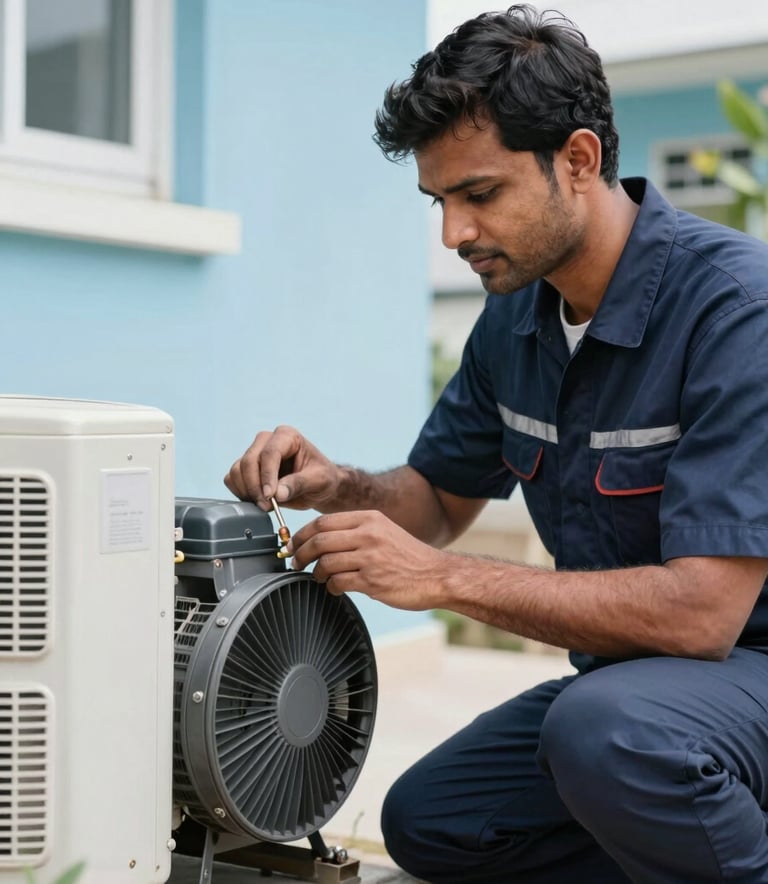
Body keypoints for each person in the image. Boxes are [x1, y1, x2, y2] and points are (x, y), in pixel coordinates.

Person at [224, 5, 768, 881]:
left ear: (578, 161)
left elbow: (703, 617)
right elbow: (438, 501)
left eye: (479, 195)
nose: (454, 235)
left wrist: (440, 581)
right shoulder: (515, 317)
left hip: (738, 674)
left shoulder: (737, 312)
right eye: (439, 202)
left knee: (603, 735)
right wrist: (339, 487)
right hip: (640, 694)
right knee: (436, 822)